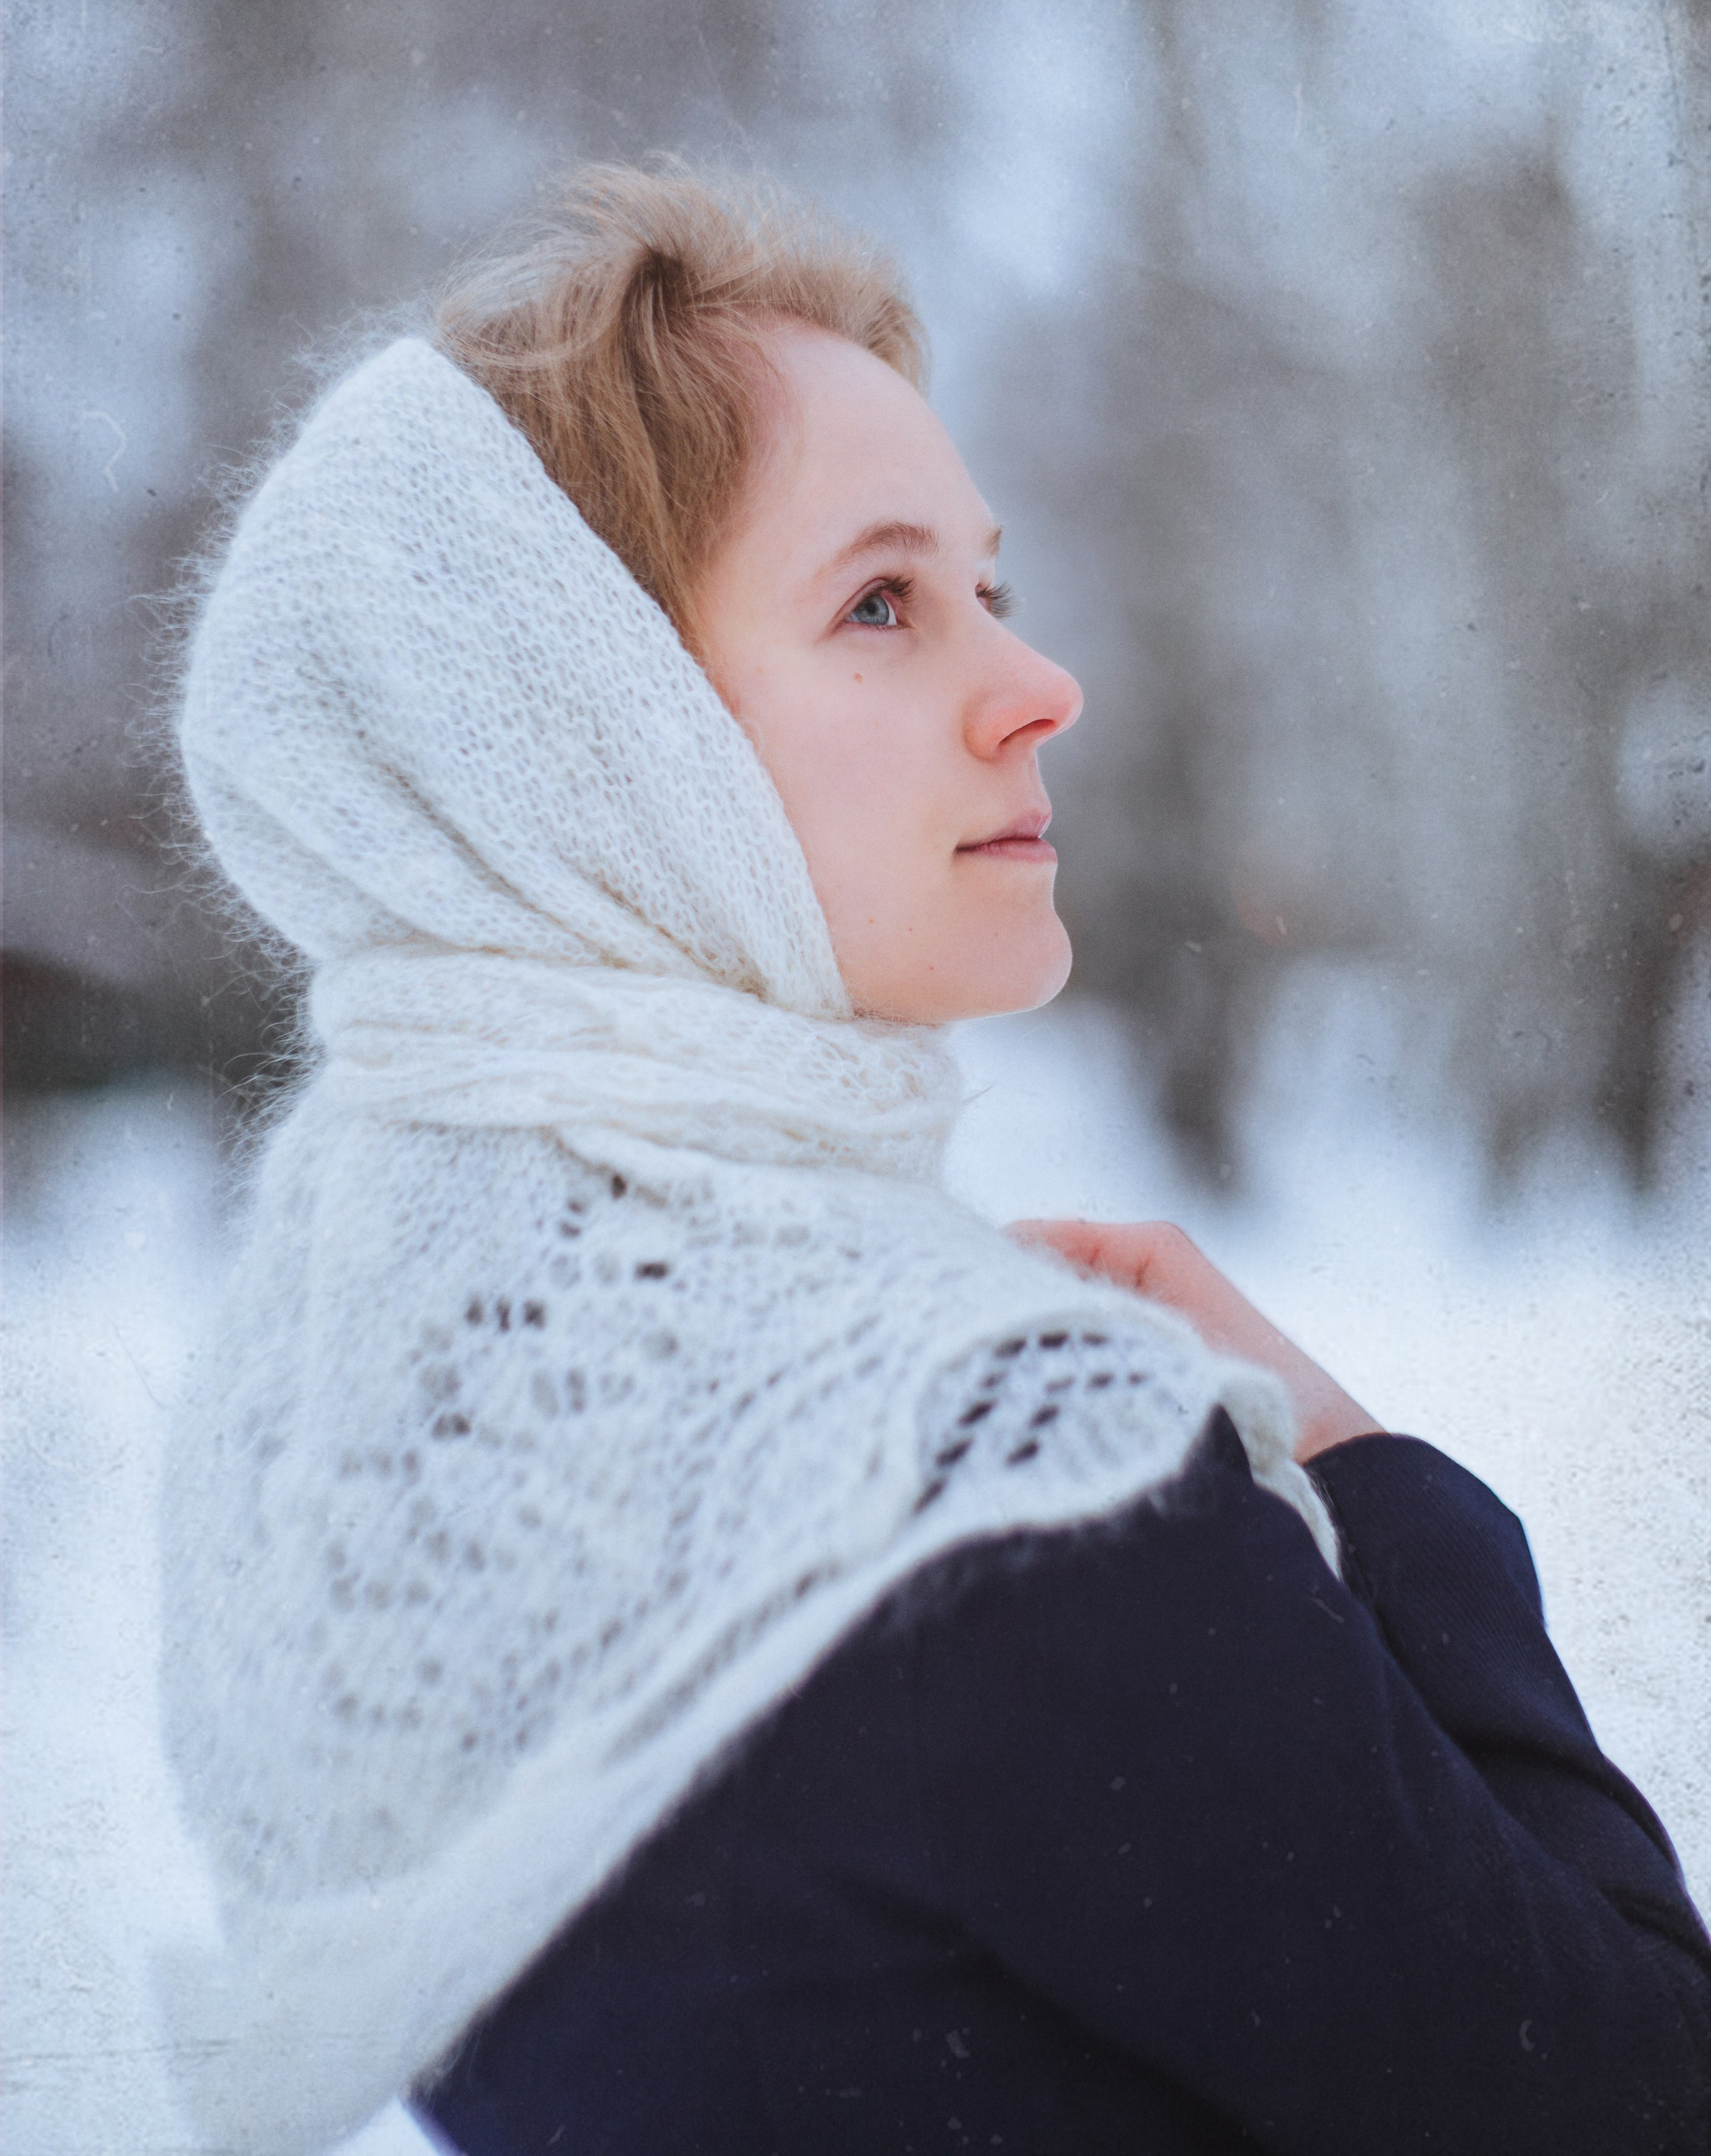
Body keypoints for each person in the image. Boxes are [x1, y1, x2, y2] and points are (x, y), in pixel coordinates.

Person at [164, 168, 1710, 2156]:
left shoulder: (348, 1426)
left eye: (993, 586)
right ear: (594, 749)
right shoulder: (987, 1479)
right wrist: (1373, 1486)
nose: (1038, 684)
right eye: (882, 604)